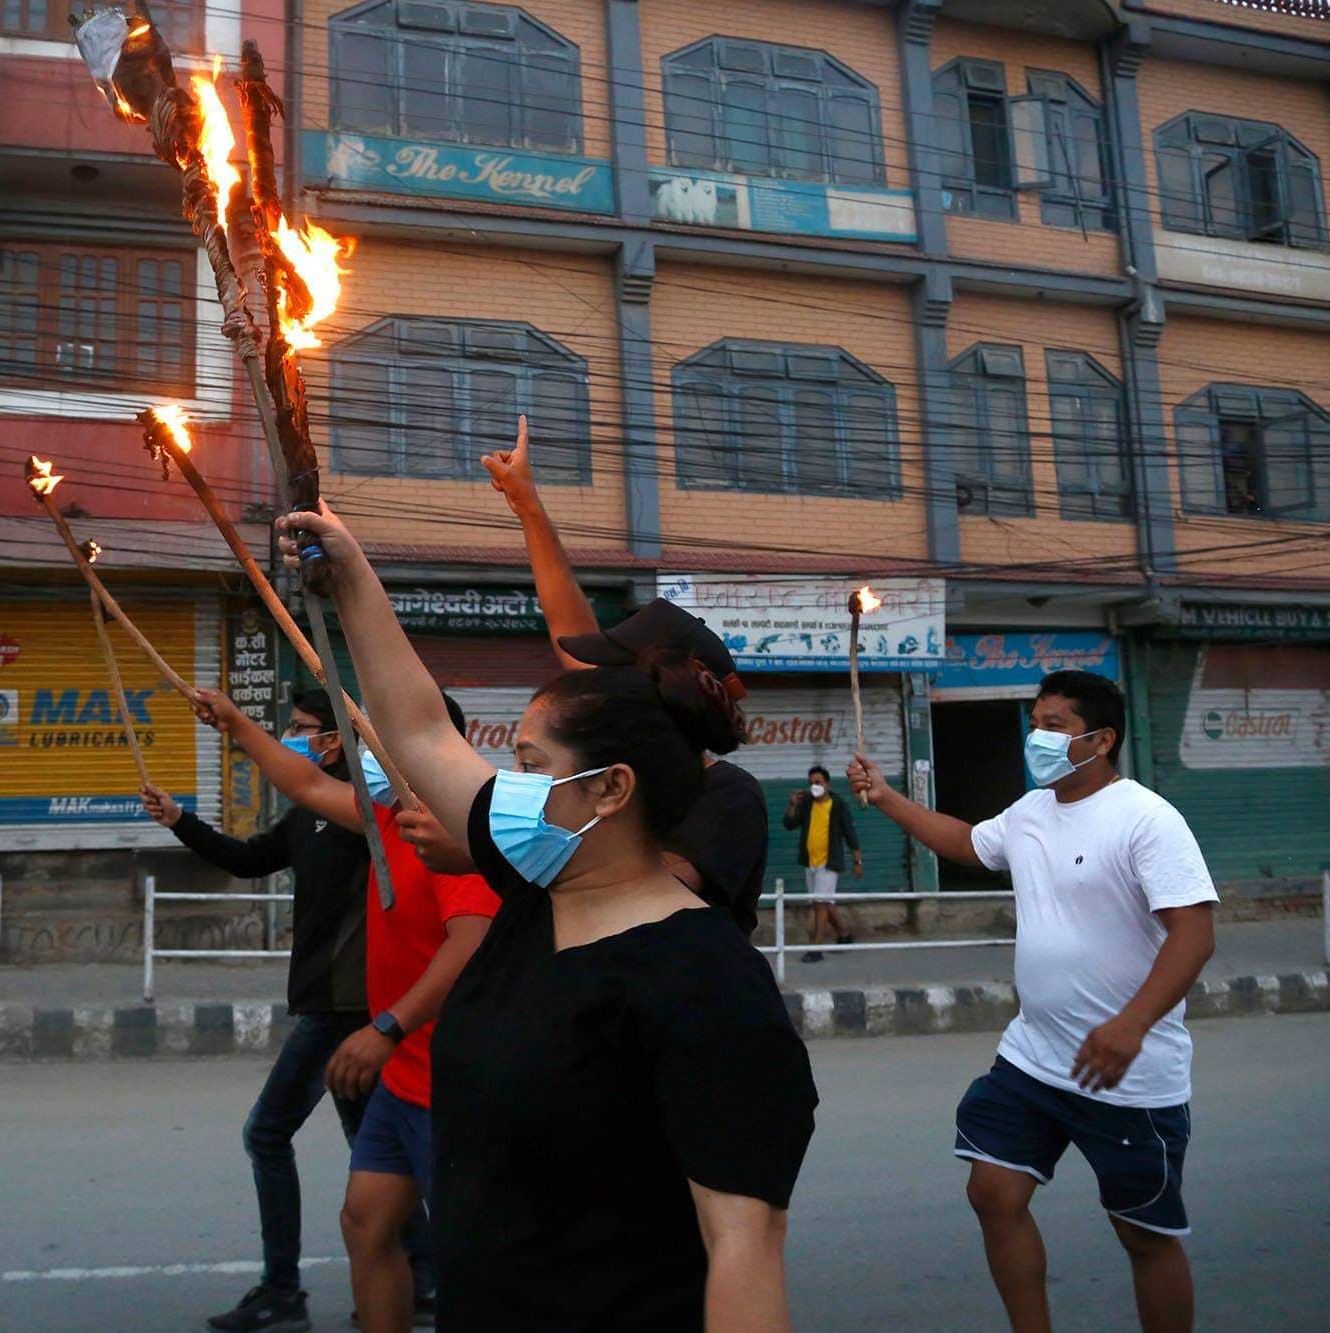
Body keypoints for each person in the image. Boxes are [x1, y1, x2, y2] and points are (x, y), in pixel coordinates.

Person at [278, 502, 817, 1330]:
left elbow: (744, 1249)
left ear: (611, 790)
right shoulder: (535, 886)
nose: (508, 785)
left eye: (530, 766)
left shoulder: (709, 983)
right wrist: (352, 575)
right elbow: (420, 728)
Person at [848, 670, 1217, 1333]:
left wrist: (1131, 1025)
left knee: (1143, 1235)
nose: (1036, 737)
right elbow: (968, 843)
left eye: (1055, 726)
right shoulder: (1030, 811)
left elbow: (1195, 933)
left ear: (1100, 740)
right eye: (1036, 722)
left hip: (1127, 1072)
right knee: (992, 1189)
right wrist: (884, 797)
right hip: (1036, 1055)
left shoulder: (1147, 818)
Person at [193, 688, 498, 1333]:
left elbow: (471, 941)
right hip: (401, 1072)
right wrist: (239, 724)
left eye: (378, 735)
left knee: (478, 1256)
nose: (364, 750)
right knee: (366, 1224)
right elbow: (304, 782)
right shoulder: (387, 817)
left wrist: (386, 1026)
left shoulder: (456, 833)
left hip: (449, 1073)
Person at [140, 690, 424, 1333]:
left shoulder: (371, 809)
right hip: (330, 1002)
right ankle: (423, 1277)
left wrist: (238, 725)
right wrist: (181, 821)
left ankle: (282, 1289)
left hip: (346, 1007)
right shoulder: (309, 813)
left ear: (336, 739)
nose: (293, 740)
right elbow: (249, 860)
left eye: (302, 730)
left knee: (269, 1134)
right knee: (382, 1150)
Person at [483, 418, 770, 934]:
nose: (593, 690)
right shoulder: (610, 787)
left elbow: (645, 894)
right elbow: (566, 623)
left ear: (659, 692)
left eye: (610, 676)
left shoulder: (728, 794)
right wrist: (527, 505)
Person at [784, 766, 862, 962]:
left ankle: (817, 948)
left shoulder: (838, 805)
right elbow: (789, 824)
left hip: (829, 863)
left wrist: (857, 860)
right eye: (811, 783)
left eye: (818, 782)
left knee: (820, 904)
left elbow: (850, 833)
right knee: (822, 903)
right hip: (809, 863)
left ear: (827, 784)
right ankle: (844, 935)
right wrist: (792, 804)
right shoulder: (807, 804)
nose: (814, 786)